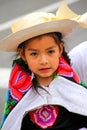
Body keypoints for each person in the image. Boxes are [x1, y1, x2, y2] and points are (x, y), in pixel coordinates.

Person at [0, 1, 87, 130]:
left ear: (60, 50)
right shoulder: (20, 92)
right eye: (34, 54)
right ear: (23, 55)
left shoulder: (72, 86)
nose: (43, 61)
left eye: (50, 51)